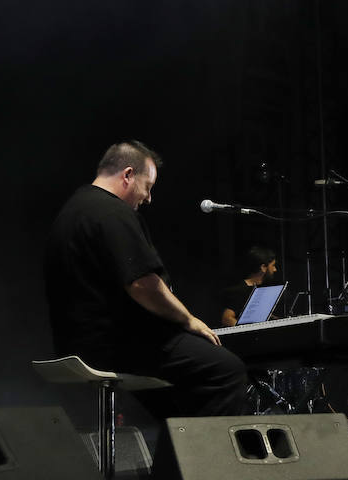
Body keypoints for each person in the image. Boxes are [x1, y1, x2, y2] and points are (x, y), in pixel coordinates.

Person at [44, 141, 248, 419]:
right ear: (128, 175)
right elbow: (143, 285)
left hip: (77, 344)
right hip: (117, 344)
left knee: (178, 404)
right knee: (227, 371)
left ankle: (172, 460)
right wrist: (187, 320)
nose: (149, 198)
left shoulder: (70, 212)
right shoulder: (112, 212)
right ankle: (199, 461)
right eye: (148, 186)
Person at [216, 245, 279, 327]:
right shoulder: (239, 290)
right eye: (273, 265)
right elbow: (227, 319)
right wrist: (249, 330)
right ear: (263, 267)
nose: (275, 269)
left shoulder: (263, 288)